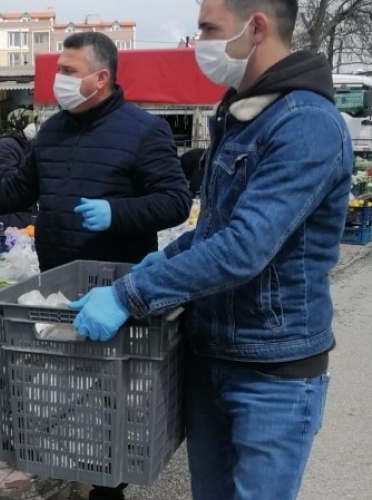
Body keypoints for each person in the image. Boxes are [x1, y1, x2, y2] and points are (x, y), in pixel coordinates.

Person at [69, 1, 353, 500]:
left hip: (272, 374)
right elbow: (219, 227)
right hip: (212, 352)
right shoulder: (240, 111)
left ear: (256, 27)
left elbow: (245, 247)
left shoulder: (306, 124)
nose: (198, 39)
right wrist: (172, 255)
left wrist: (128, 295)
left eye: (207, 28)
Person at [0, 32, 191, 272]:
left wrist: (117, 212)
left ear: (101, 78)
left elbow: (176, 202)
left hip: (115, 285)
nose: (59, 79)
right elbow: (17, 191)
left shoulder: (146, 130)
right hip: (55, 279)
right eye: (58, 70)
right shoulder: (52, 129)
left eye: (69, 71)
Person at [0, 110, 39, 256]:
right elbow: (13, 180)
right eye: (29, 122)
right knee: (4, 265)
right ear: (18, 124)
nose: (33, 126)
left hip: (24, 218)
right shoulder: (6, 145)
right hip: (4, 219)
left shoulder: (29, 145)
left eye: (35, 122)